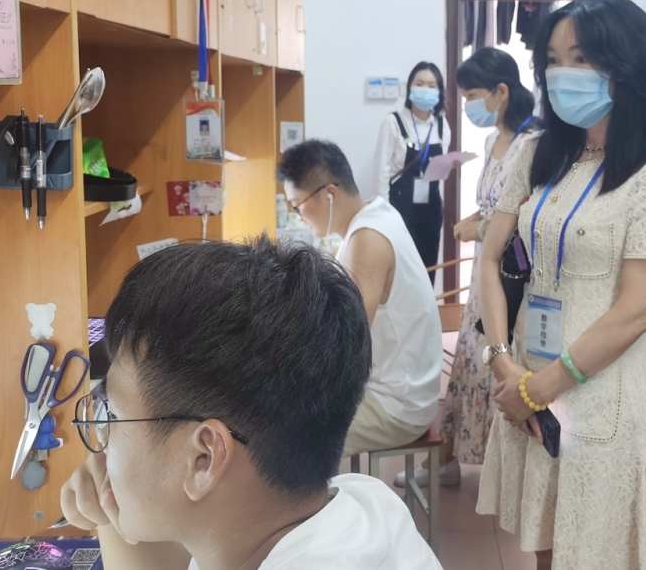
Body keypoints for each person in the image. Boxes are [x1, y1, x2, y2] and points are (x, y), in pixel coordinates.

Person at [477, 0, 646, 570]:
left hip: (600, 392)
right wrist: (503, 363)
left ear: (626, 66)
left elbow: (636, 310)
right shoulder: (535, 150)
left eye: (581, 58)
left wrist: (539, 387)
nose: (562, 74)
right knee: (546, 542)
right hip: (525, 373)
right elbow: (490, 257)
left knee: (596, 550)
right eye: (553, 60)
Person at [59, 237, 443, 570]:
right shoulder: (367, 501)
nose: (102, 445)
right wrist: (115, 503)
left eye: (113, 416)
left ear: (204, 457)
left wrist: (127, 489)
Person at [394, 48, 539, 489]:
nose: (468, 105)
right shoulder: (493, 142)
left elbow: (528, 218)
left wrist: (480, 229)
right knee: (470, 367)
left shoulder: (533, 144)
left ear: (501, 92)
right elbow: (494, 206)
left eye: (473, 95)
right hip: (484, 275)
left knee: (498, 364)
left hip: (514, 278)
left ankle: (499, 469)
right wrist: (475, 222)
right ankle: (448, 460)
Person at [277, 140, 443, 458]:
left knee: (285, 434)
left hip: (395, 404)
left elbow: (346, 342)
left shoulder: (367, 238)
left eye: (297, 206)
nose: (298, 216)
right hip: (403, 388)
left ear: (329, 194)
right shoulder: (378, 213)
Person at [374, 61, 451, 281]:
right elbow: (381, 172)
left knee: (427, 271)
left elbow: (439, 170)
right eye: (419, 83)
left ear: (439, 91)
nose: (425, 89)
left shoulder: (442, 125)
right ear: (409, 87)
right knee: (401, 270)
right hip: (400, 208)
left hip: (431, 209)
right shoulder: (393, 122)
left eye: (431, 85)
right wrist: (384, 214)